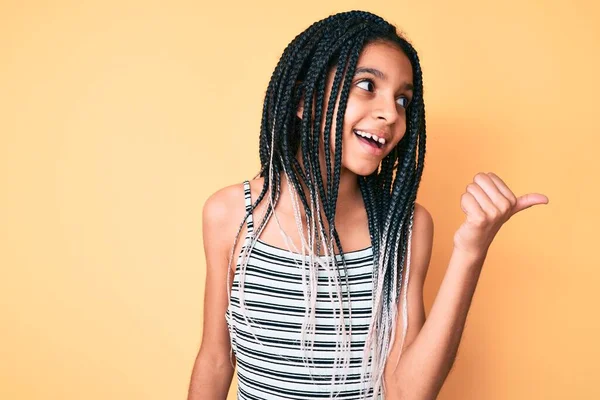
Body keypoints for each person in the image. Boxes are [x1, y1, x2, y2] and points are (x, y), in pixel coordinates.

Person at [187, 10, 549, 400]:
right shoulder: (229, 215)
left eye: (403, 100)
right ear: (304, 99)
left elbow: (409, 393)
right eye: (366, 85)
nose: (391, 114)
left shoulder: (404, 228)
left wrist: (471, 251)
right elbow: (215, 359)